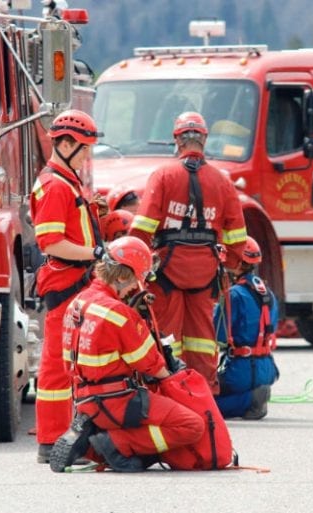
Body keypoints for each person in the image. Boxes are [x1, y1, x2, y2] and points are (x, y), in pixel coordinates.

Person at [50, 236, 204, 473]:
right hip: (119, 401)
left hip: (83, 401)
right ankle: (116, 443)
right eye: (135, 281)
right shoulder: (119, 314)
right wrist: (175, 381)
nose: (135, 288)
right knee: (192, 425)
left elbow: (69, 360)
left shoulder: (77, 304)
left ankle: (93, 437)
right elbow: (151, 365)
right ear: (122, 276)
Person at [129, 111, 247, 394]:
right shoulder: (221, 180)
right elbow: (237, 234)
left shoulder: (163, 176)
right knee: (203, 338)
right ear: (203, 140)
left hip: (166, 271)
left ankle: (169, 392)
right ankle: (204, 394)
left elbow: (143, 227)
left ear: (177, 141)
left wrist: (134, 269)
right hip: (206, 272)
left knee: (167, 335)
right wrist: (228, 263)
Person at [30, 109, 106, 464]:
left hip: (75, 281)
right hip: (66, 282)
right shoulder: (56, 186)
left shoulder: (66, 180)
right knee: (58, 367)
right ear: (64, 143)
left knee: (68, 363)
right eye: (84, 147)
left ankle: (62, 439)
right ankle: (51, 442)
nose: (88, 154)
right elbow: (51, 243)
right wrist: (95, 252)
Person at [214, 236, 279, 420]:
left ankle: (249, 400)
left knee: (205, 405)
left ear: (238, 262)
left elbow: (218, 335)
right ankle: (254, 396)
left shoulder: (233, 295)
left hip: (241, 371)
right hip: (266, 368)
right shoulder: (268, 293)